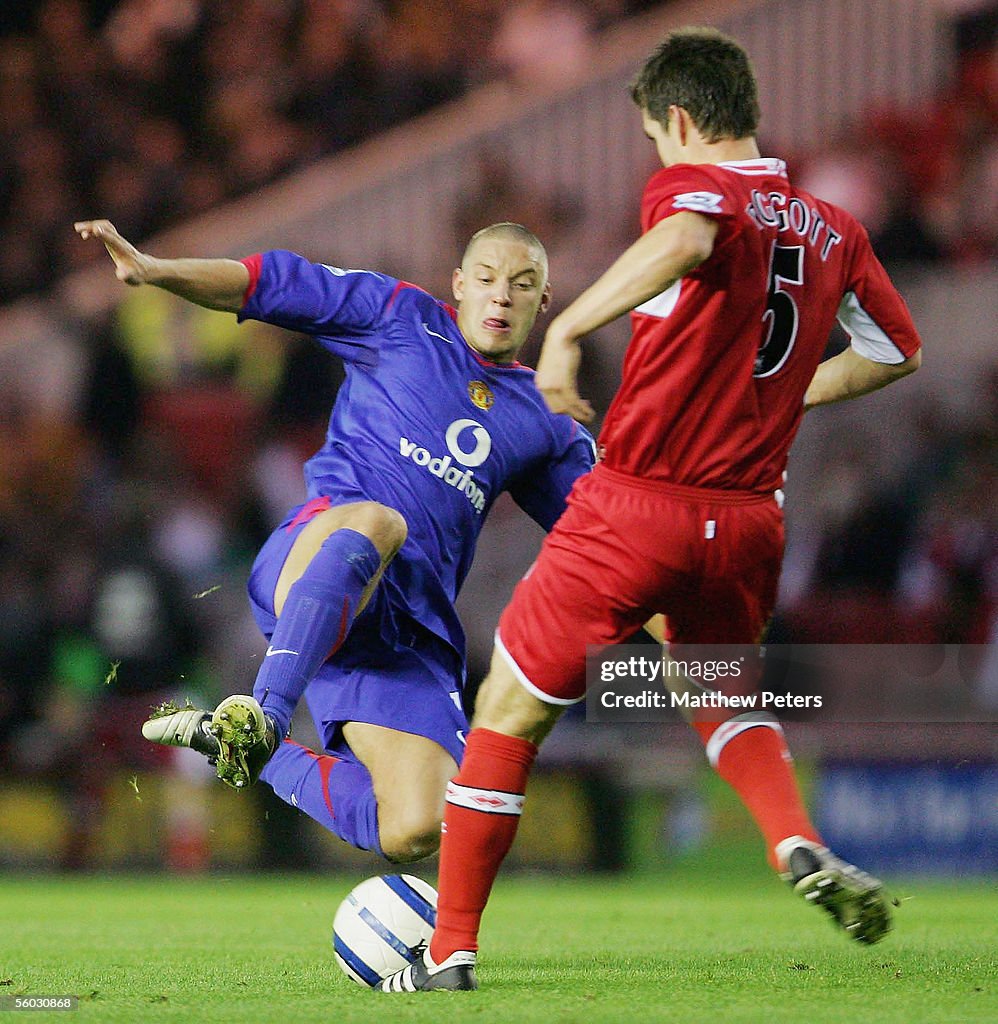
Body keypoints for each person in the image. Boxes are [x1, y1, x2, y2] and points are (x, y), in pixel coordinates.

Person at [380, 27, 923, 992]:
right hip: (749, 521)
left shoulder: (696, 191)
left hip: (636, 506)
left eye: (653, 138)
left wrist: (571, 330)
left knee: (506, 710)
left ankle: (449, 950)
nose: (657, 160)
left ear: (677, 120)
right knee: (717, 689)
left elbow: (687, 235)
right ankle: (794, 840)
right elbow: (895, 353)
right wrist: (781, 397)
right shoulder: (835, 228)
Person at [74, 217, 596, 864]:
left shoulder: (547, 424)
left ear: (543, 301)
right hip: (317, 557)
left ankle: (245, 748)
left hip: (405, 629)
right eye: (486, 279)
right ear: (458, 284)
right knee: (380, 520)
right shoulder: (397, 315)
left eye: (522, 285)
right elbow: (265, 283)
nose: (501, 296)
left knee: (415, 826)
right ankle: (266, 710)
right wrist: (155, 269)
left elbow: (610, 539)